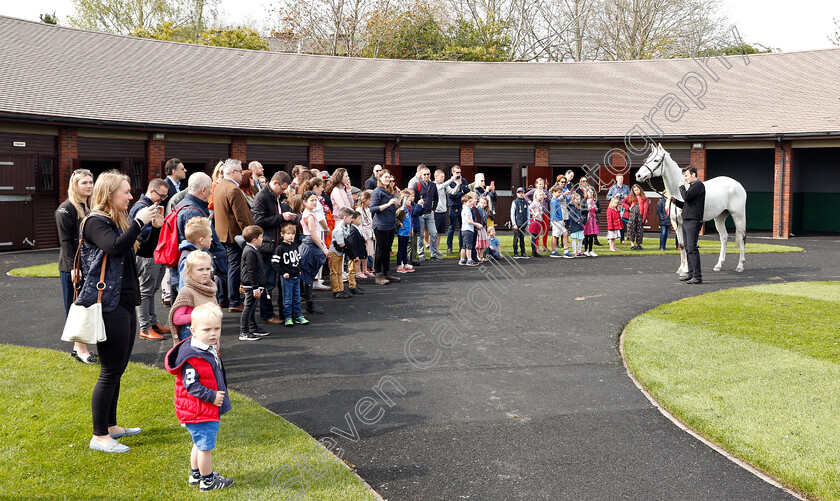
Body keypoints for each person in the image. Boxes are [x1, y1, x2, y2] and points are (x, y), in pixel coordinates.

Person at [80, 170, 159, 453]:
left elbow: (141, 251)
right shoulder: (94, 222)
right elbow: (114, 248)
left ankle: (111, 426)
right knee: (109, 370)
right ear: (110, 194)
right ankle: (99, 436)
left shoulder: (117, 221)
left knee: (119, 368)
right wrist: (139, 222)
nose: (130, 196)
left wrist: (156, 227)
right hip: (107, 305)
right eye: (125, 192)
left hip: (123, 302)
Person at [164, 303, 234, 491]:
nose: (213, 333)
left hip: (198, 410)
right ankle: (208, 481)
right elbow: (191, 385)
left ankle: (196, 475)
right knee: (205, 448)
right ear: (193, 330)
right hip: (200, 410)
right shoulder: (193, 356)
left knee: (198, 443)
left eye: (217, 328)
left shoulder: (204, 346)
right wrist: (211, 396)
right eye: (207, 329)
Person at [56, 168, 98, 364]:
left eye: (91, 182)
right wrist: (75, 268)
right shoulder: (66, 210)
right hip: (74, 268)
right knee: (77, 307)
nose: (89, 185)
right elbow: (65, 242)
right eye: (85, 183)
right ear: (75, 185)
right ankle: (80, 349)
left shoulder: (90, 207)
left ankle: (79, 347)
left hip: (89, 266)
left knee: (88, 306)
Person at [174, 173, 228, 307]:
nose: (211, 193)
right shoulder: (192, 211)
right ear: (203, 190)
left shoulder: (184, 204)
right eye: (210, 190)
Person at [252, 171, 297, 325]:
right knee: (268, 283)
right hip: (267, 246)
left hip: (276, 245)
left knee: (278, 282)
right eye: (283, 188)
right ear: (276, 183)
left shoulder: (275, 197)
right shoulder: (262, 197)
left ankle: (283, 312)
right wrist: (282, 218)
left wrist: (287, 217)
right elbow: (258, 220)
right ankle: (267, 314)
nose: (284, 192)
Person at [130, 178, 170, 341]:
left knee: (152, 290)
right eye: (161, 196)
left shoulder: (150, 206)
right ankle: (145, 327)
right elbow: (143, 234)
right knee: (146, 291)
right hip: (146, 255)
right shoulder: (142, 208)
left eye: (165, 197)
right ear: (152, 191)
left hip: (154, 253)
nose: (163, 199)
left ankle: (152, 323)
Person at [213, 159, 254, 312]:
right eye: (239, 170)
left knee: (225, 268)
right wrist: (250, 235)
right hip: (234, 235)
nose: (242, 173)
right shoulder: (233, 189)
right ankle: (234, 301)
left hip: (222, 234)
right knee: (234, 268)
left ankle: (223, 299)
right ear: (232, 172)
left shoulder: (219, 186)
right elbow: (241, 217)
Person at [169, 250, 218, 343]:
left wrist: (216, 341)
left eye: (208, 269)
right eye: (200, 269)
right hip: (191, 336)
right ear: (189, 272)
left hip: (209, 333)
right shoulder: (187, 291)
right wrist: (199, 315)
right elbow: (177, 319)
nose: (205, 272)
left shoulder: (209, 289)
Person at [671, 166, 705, 284]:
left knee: (692, 248)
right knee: (688, 248)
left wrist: (681, 186)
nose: (685, 178)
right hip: (687, 220)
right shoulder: (692, 187)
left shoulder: (698, 185)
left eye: (686, 175)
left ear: (694, 175)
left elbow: (686, 197)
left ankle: (697, 276)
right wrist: (674, 201)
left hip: (693, 221)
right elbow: (686, 204)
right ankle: (690, 274)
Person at [272, 224, 309, 327]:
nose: (291, 236)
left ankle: (298, 315)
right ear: (282, 234)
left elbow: (298, 259)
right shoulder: (280, 248)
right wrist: (283, 273)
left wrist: (299, 269)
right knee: (287, 298)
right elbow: (275, 262)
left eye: (293, 234)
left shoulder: (295, 246)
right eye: (288, 234)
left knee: (296, 297)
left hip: (296, 276)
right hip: (287, 278)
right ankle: (287, 317)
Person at [299, 191, 329, 312]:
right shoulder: (309, 216)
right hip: (310, 245)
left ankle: (309, 302)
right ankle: (310, 304)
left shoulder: (309, 213)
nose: (314, 202)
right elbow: (313, 235)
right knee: (309, 274)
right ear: (304, 202)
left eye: (315, 200)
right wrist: (323, 248)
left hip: (310, 243)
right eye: (311, 200)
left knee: (308, 274)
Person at [370, 170, 401, 284]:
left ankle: (387, 272)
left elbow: (392, 207)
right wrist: (388, 204)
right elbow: (372, 209)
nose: (388, 179)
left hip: (390, 224)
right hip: (381, 225)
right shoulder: (377, 191)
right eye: (385, 177)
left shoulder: (390, 191)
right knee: (380, 250)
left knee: (387, 250)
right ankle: (378, 274)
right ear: (380, 178)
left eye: (389, 177)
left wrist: (397, 202)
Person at [239, 225, 268, 341]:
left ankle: (253, 327)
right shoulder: (250, 252)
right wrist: (255, 287)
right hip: (251, 285)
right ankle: (244, 332)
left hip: (253, 284)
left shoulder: (252, 250)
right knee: (248, 308)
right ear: (254, 239)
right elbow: (251, 270)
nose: (263, 239)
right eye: (261, 237)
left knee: (252, 307)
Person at [408, 165, 440, 263]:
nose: (426, 176)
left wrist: (433, 208)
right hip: (420, 214)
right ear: (421, 175)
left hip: (430, 213)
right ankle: (421, 254)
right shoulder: (417, 184)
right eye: (424, 174)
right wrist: (417, 207)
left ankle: (433, 254)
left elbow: (436, 198)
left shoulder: (433, 185)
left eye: (428, 174)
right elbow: (412, 197)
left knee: (434, 233)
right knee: (420, 235)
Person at [177, 217, 213, 290]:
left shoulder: (203, 253)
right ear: (201, 240)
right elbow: (183, 285)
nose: (211, 239)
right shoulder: (188, 259)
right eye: (210, 237)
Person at [329, 206, 357, 297]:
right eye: (350, 217)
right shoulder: (339, 230)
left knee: (339, 271)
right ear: (345, 217)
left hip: (340, 252)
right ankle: (336, 290)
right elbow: (341, 244)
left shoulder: (346, 227)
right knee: (334, 271)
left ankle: (341, 289)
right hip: (335, 252)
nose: (351, 219)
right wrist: (351, 252)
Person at [445, 165, 471, 255]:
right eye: (456, 172)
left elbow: (467, 190)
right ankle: (449, 246)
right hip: (453, 207)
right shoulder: (450, 183)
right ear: (452, 173)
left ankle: (461, 246)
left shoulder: (463, 180)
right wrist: (461, 192)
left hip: (462, 207)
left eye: (459, 172)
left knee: (462, 228)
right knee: (451, 228)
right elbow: (452, 196)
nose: (458, 174)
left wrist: (461, 186)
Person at [396, 189, 419, 274]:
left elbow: (409, 220)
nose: (410, 202)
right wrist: (399, 223)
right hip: (402, 233)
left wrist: (410, 229)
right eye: (409, 200)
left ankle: (405, 263)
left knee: (405, 249)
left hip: (406, 232)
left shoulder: (407, 209)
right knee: (401, 249)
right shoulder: (401, 210)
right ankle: (399, 265)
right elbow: (396, 218)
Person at [525, 178, 550, 252]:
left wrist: (546, 197)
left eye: (542, 184)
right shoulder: (534, 191)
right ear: (536, 184)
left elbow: (550, 200)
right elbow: (525, 196)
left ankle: (544, 245)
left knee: (546, 228)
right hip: (537, 212)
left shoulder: (545, 191)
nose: (541, 185)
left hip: (544, 211)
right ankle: (536, 246)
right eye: (539, 184)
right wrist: (531, 202)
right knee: (537, 230)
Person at [622, 184, 649, 250]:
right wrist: (628, 208)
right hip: (632, 215)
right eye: (635, 190)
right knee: (631, 228)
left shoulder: (644, 198)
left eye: (637, 190)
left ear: (640, 189)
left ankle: (639, 244)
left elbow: (647, 209)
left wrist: (646, 218)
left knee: (639, 230)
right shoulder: (630, 197)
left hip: (640, 215)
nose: (636, 191)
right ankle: (632, 243)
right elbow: (623, 202)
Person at [356, 191, 375, 278]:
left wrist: (372, 234)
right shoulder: (359, 210)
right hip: (363, 233)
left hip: (369, 232)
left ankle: (365, 269)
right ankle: (358, 271)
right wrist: (361, 235)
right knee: (361, 253)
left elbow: (370, 222)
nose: (370, 202)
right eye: (369, 200)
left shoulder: (368, 210)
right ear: (365, 200)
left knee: (367, 253)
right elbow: (359, 224)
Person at [607, 174, 631, 244]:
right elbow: (607, 197)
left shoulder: (626, 188)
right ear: (616, 179)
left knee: (622, 224)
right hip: (614, 207)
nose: (621, 180)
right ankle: (609, 239)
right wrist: (615, 196)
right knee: (612, 222)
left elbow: (630, 198)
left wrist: (626, 197)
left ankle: (622, 239)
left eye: (622, 178)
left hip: (622, 208)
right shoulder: (613, 188)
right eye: (620, 178)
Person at [432, 169, 449, 259]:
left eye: (444, 177)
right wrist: (452, 179)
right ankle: (433, 250)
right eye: (441, 177)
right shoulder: (434, 185)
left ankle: (437, 249)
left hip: (443, 211)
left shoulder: (444, 185)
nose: (443, 178)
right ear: (436, 177)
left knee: (439, 233)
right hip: (436, 212)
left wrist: (458, 185)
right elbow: (441, 187)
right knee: (434, 233)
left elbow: (452, 191)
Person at [459, 193, 480, 266]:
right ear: (465, 202)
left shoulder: (465, 208)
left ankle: (462, 259)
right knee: (469, 246)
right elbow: (469, 220)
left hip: (464, 229)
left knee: (464, 246)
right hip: (468, 229)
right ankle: (469, 260)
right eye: (469, 202)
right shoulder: (467, 210)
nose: (471, 203)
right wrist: (477, 224)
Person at [510, 187, 529, 259]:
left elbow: (528, 213)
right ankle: (515, 252)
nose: (521, 194)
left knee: (522, 238)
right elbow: (512, 213)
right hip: (517, 223)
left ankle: (523, 252)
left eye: (522, 193)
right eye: (519, 193)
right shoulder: (515, 202)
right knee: (516, 238)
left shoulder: (525, 202)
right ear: (517, 193)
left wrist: (528, 223)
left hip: (524, 223)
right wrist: (514, 223)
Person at [548, 186, 566, 258]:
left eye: (560, 192)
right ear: (554, 192)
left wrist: (562, 220)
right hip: (556, 221)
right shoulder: (553, 201)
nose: (560, 194)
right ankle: (553, 251)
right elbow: (553, 211)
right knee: (555, 236)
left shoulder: (557, 200)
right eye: (558, 192)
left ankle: (566, 250)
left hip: (559, 220)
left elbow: (559, 211)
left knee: (565, 233)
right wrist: (557, 220)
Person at [528, 189, 547, 258]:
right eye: (540, 195)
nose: (541, 196)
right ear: (536, 196)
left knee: (536, 237)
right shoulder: (535, 203)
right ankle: (533, 252)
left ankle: (535, 251)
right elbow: (528, 208)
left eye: (542, 195)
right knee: (534, 237)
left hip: (539, 220)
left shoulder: (539, 203)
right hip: (535, 221)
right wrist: (533, 213)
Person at [582, 187, 601, 257]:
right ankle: (586, 250)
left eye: (592, 192)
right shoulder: (584, 200)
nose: (590, 194)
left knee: (592, 235)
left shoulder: (596, 200)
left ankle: (590, 249)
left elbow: (600, 209)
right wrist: (588, 208)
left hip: (593, 219)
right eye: (589, 192)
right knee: (586, 235)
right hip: (587, 219)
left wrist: (596, 209)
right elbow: (582, 211)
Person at [568, 193, 587, 257]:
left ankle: (579, 251)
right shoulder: (573, 207)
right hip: (575, 225)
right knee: (575, 239)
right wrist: (577, 221)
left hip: (579, 226)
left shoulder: (578, 207)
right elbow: (571, 215)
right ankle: (574, 251)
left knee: (581, 239)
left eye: (579, 199)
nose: (579, 200)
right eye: (577, 199)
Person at [474, 197, 490, 261]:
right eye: (481, 203)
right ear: (479, 203)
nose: (482, 204)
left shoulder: (485, 211)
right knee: (478, 243)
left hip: (483, 228)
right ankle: (477, 256)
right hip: (479, 227)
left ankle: (481, 256)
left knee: (482, 243)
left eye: (484, 203)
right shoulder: (478, 209)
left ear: (486, 204)